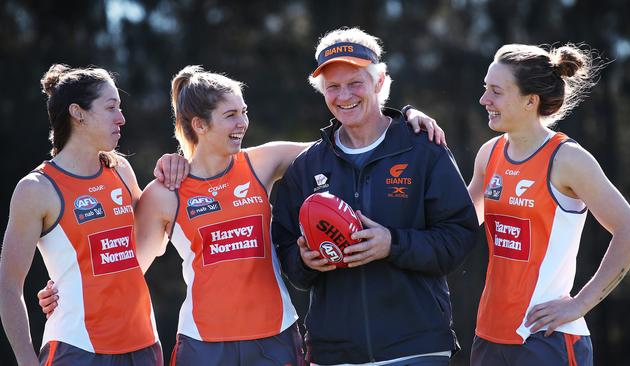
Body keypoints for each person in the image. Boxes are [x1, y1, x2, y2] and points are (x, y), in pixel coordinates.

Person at [35, 65, 444, 365]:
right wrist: (63, 292)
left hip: (276, 339)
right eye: (231, 115)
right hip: (202, 346)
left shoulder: (262, 163)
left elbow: (351, 142)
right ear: (199, 123)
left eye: (244, 112)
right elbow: (124, 269)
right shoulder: (164, 192)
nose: (243, 124)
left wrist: (403, 119)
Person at [271, 27, 480, 365]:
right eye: (333, 87)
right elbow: (286, 256)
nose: (344, 96)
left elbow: (459, 236)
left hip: (416, 347)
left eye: (355, 83)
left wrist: (391, 244)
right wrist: (304, 262)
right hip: (334, 353)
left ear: (380, 81)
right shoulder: (305, 168)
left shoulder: (423, 150)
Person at [466, 43, 630, 366]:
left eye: (496, 91)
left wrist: (579, 304)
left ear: (529, 101)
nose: (484, 100)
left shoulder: (567, 159)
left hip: (547, 340)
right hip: (488, 337)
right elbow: (458, 225)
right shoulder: (488, 154)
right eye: (484, 89)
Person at [0, 65, 163, 365]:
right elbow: (8, 288)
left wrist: (172, 166)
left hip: (144, 345)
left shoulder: (121, 171)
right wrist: (26, 361)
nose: (122, 118)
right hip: (76, 350)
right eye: (111, 107)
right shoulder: (36, 189)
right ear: (78, 113)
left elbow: (154, 235)